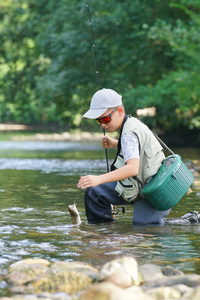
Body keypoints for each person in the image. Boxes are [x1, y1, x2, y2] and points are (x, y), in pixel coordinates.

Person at [77, 88, 171, 224]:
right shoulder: (132, 123)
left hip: (154, 193)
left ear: (120, 111)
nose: (103, 124)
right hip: (149, 186)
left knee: (144, 228)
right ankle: (104, 234)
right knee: (94, 192)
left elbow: (132, 169)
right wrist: (115, 143)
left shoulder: (128, 134)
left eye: (106, 119)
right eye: (99, 121)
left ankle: (189, 220)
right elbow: (136, 150)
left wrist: (98, 179)